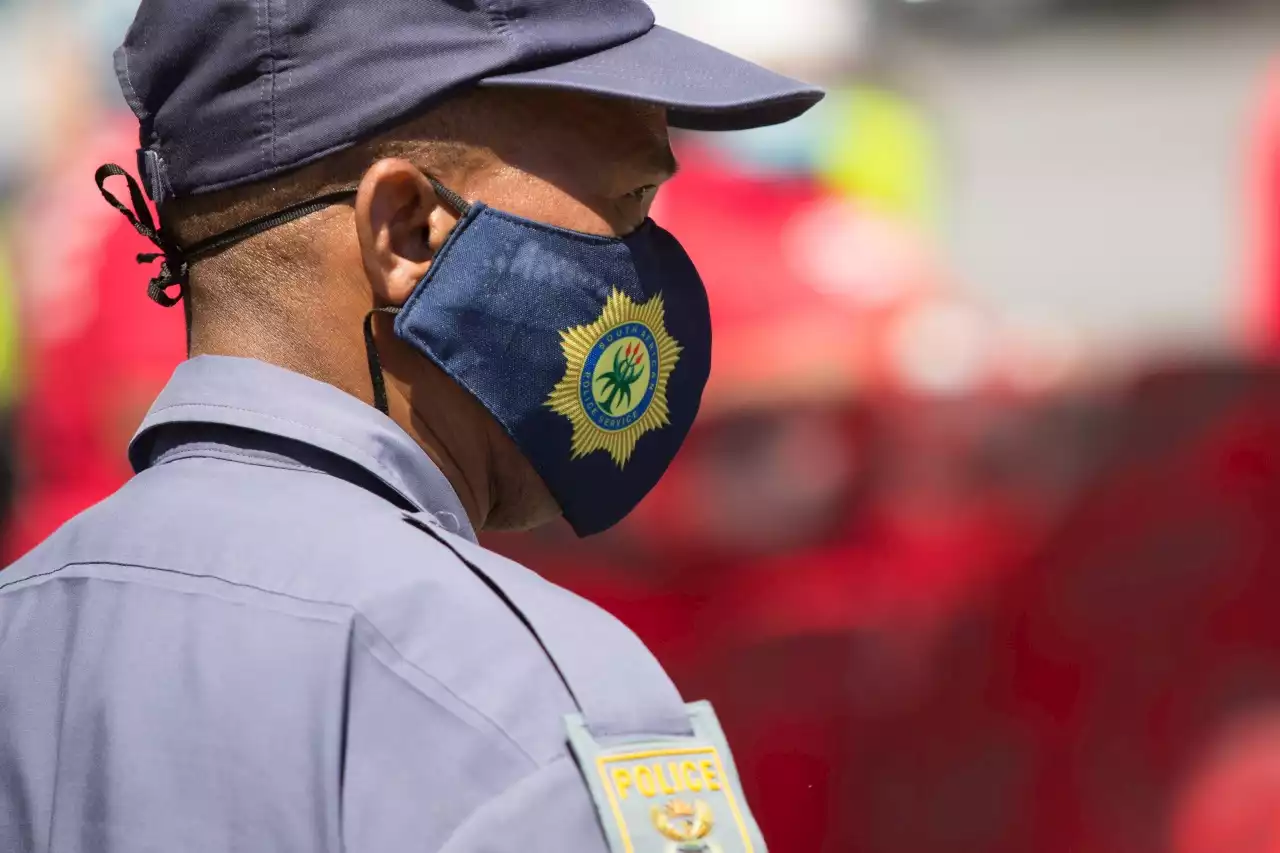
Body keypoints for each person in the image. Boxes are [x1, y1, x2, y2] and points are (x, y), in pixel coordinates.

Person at [0, 1, 822, 851]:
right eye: (631, 200)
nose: (647, 257)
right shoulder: (533, 697)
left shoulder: (23, 627)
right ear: (408, 231)